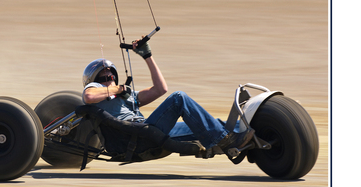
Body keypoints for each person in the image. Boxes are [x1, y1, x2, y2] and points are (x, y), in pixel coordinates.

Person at [82, 40, 254, 152]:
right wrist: (118, 89)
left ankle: (249, 135)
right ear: (95, 80)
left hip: (147, 130)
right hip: (135, 136)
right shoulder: (96, 90)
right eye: (105, 78)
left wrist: (147, 56)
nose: (110, 80)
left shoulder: (125, 96)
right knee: (179, 98)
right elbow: (88, 97)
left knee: (214, 124)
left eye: (112, 76)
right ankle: (226, 142)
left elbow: (160, 89)